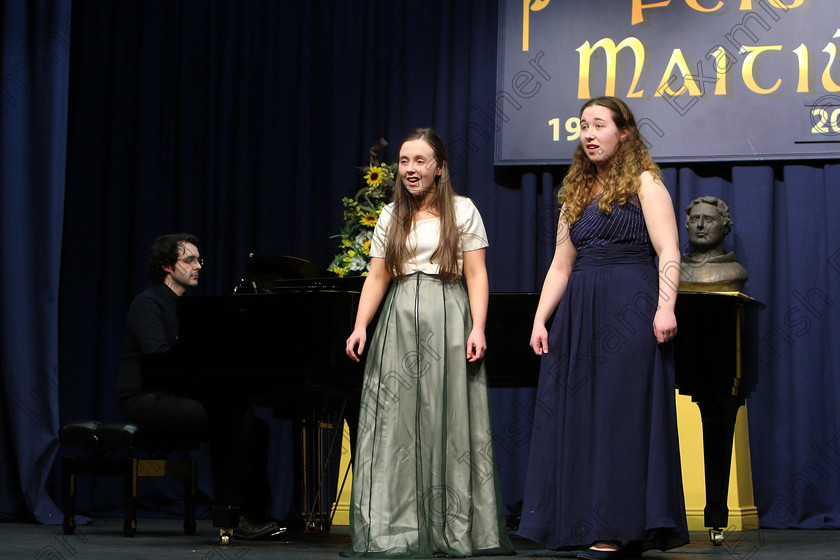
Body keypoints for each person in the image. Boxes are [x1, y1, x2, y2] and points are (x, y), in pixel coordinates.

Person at [518, 98, 689, 559]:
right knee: (584, 419)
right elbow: (559, 266)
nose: (588, 134)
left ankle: (619, 528)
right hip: (579, 314)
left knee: (621, 419)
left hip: (630, 308)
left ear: (625, 133)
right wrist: (540, 317)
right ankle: (592, 522)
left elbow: (669, 252)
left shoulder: (645, 183)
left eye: (599, 125)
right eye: (583, 127)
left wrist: (665, 307)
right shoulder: (575, 194)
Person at [344, 128, 515, 557]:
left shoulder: (463, 210)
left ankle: (450, 527)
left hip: (448, 314)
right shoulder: (390, 215)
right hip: (398, 322)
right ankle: (397, 527)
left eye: (420, 161)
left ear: (439, 167)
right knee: (396, 425)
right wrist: (361, 325)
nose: (411, 169)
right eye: (404, 161)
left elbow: (476, 274)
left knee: (450, 420)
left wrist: (478, 327)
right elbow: (378, 275)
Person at [115, 233, 281, 541]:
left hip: (175, 392)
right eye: (189, 260)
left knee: (256, 428)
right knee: (229, 424)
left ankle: (256, 511)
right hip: (144, 397)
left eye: (198, 260)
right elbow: (158, 360)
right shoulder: (147, 304)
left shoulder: (188, 308)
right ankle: (232, 515)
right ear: (167, 266)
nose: (198, 266)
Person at [680, 196, 748, 292]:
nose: (700, 225)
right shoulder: (676, 272)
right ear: (687, 224)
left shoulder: (735, 272)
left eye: (708, 220)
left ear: (725, 226)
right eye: (694, 219)